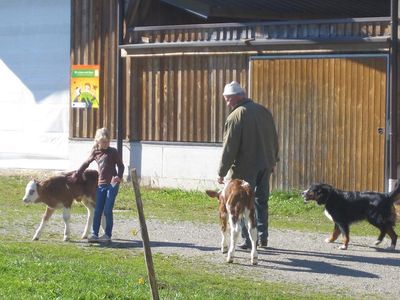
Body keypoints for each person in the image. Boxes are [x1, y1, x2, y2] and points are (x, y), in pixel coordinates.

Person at [217, 81, 279, 249]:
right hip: (265, 164)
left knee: (242, 201)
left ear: (237, 97)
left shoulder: (236, 116)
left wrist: (221, 171)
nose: (227, 103)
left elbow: (230, 147)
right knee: (261, 200)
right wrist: (274, 160)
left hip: (245, 167)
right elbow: (274, 137)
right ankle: (262, 236)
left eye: (228, 99)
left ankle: (247, 239)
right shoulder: (264, 111)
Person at [74, 127, 125, 243]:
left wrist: (119, 176)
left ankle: (107, 235)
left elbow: (121, 166)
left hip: (112, 184)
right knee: (98, 210)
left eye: (107, 141)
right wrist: (77, 174)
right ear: (98, 141)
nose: (105, 144)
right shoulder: (96, 152)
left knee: (107, 210)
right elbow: (86, 163)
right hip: (101, 185)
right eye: (103, 142)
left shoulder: (113, 152)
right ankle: (94, 234)